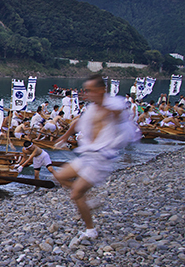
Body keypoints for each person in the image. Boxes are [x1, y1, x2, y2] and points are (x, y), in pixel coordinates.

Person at [54, 74, 139, 246]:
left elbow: (120, 117)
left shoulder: (112, 107)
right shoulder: (92, 109)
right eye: (86, 91)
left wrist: (111, 111)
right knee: (59, 176)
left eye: (90, 91)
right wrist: (64, 137)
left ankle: (90, 230)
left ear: (101, 90)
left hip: (101, 158)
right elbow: (77, 122)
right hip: (88, 154)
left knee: (76, 193)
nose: (87, 94)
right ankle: (90, 198)